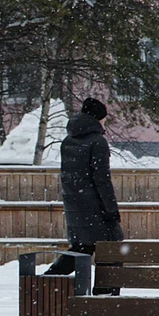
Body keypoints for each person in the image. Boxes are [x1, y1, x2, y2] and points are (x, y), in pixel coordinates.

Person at [45, 97, 124, 276]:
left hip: (75, 208)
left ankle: (47, 282)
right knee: (112, 247)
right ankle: (105, 296)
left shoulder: (69, 140)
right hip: (96, 210)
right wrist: (111, 211)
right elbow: (102, 181)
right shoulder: (97, 142)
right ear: (98, 118)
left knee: (81, 249)